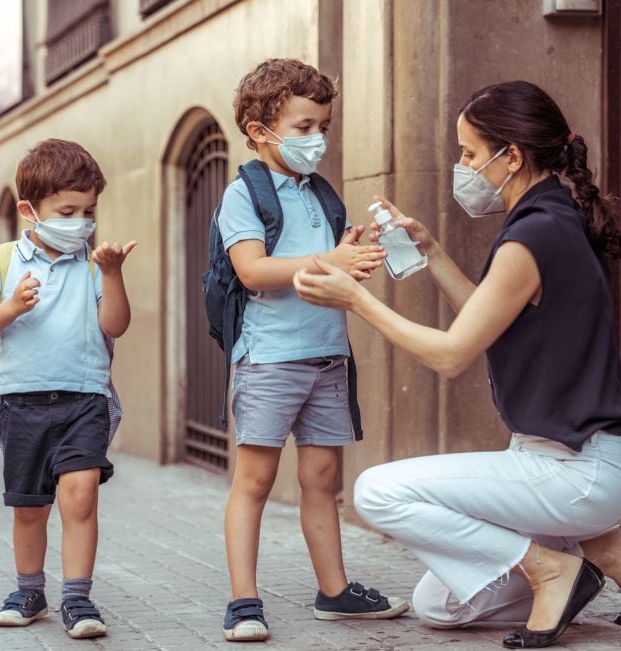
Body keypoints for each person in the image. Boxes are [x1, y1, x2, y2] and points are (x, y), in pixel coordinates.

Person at [294, 80, 621, 648]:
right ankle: (599, 543)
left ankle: (553, 567)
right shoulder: (551, 218)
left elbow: (453, 353)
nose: (462, 167)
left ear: (510, 155)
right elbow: (487, 321)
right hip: (567, 466)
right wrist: (433, 251)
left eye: (468, 153)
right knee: (440, 607)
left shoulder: (532, 236)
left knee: (376, 492)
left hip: (577, 469)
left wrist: (356, 301)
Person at [217, 59, 408, 643]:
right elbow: (253, 270)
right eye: (303, 126)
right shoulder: (242, 194)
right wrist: (330, 260)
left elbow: (325, 273)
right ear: (260, 131)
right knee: (253, 480)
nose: (316, 138)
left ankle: (335, 591)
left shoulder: (321, 193)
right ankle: (244, 602)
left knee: (322, 479)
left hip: (327, 355)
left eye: (322, 125)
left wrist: (350, 252)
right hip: (270, 357)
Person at [0, 139, 136, 640]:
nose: (80, 221)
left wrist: (113, 274)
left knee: (80, 496)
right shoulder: (1, 260)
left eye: (88, 211)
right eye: (67, 210)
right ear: (28, 210)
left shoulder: (92, 263)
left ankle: (77, 598)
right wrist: (11, 307)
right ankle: (29, 590)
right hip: (21, 400)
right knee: (30, 505)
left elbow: (116, 324)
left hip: (85, 397)